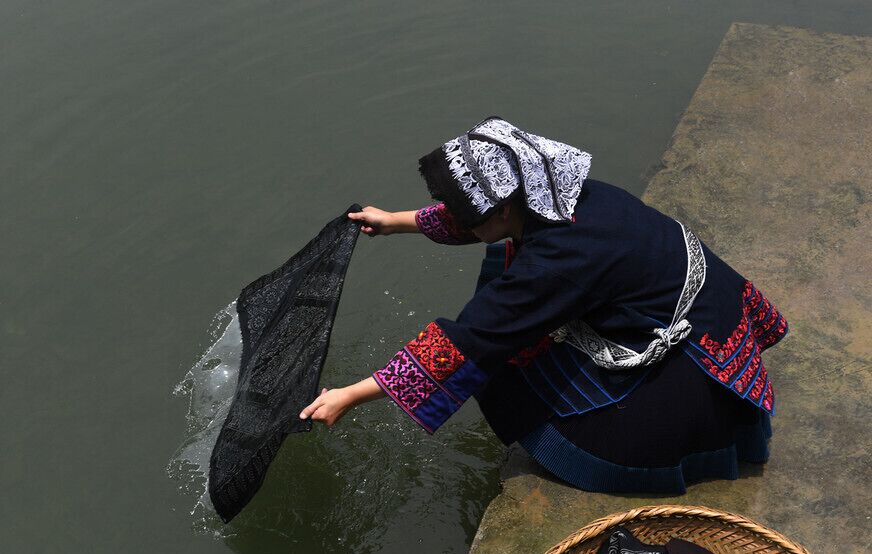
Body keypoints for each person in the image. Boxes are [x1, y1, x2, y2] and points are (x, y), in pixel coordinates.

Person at [299, 117, 787, 493]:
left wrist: (350, 394)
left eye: (471, 215)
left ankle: (666, 431)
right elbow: (476, 218)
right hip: (714, 313)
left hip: (699, 363)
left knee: (500, 369)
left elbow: (466, 342)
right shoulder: (559, 193)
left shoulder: (557, 261)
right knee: (503, 266)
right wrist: (396, 221)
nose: (462, 224)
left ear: (507, 204)